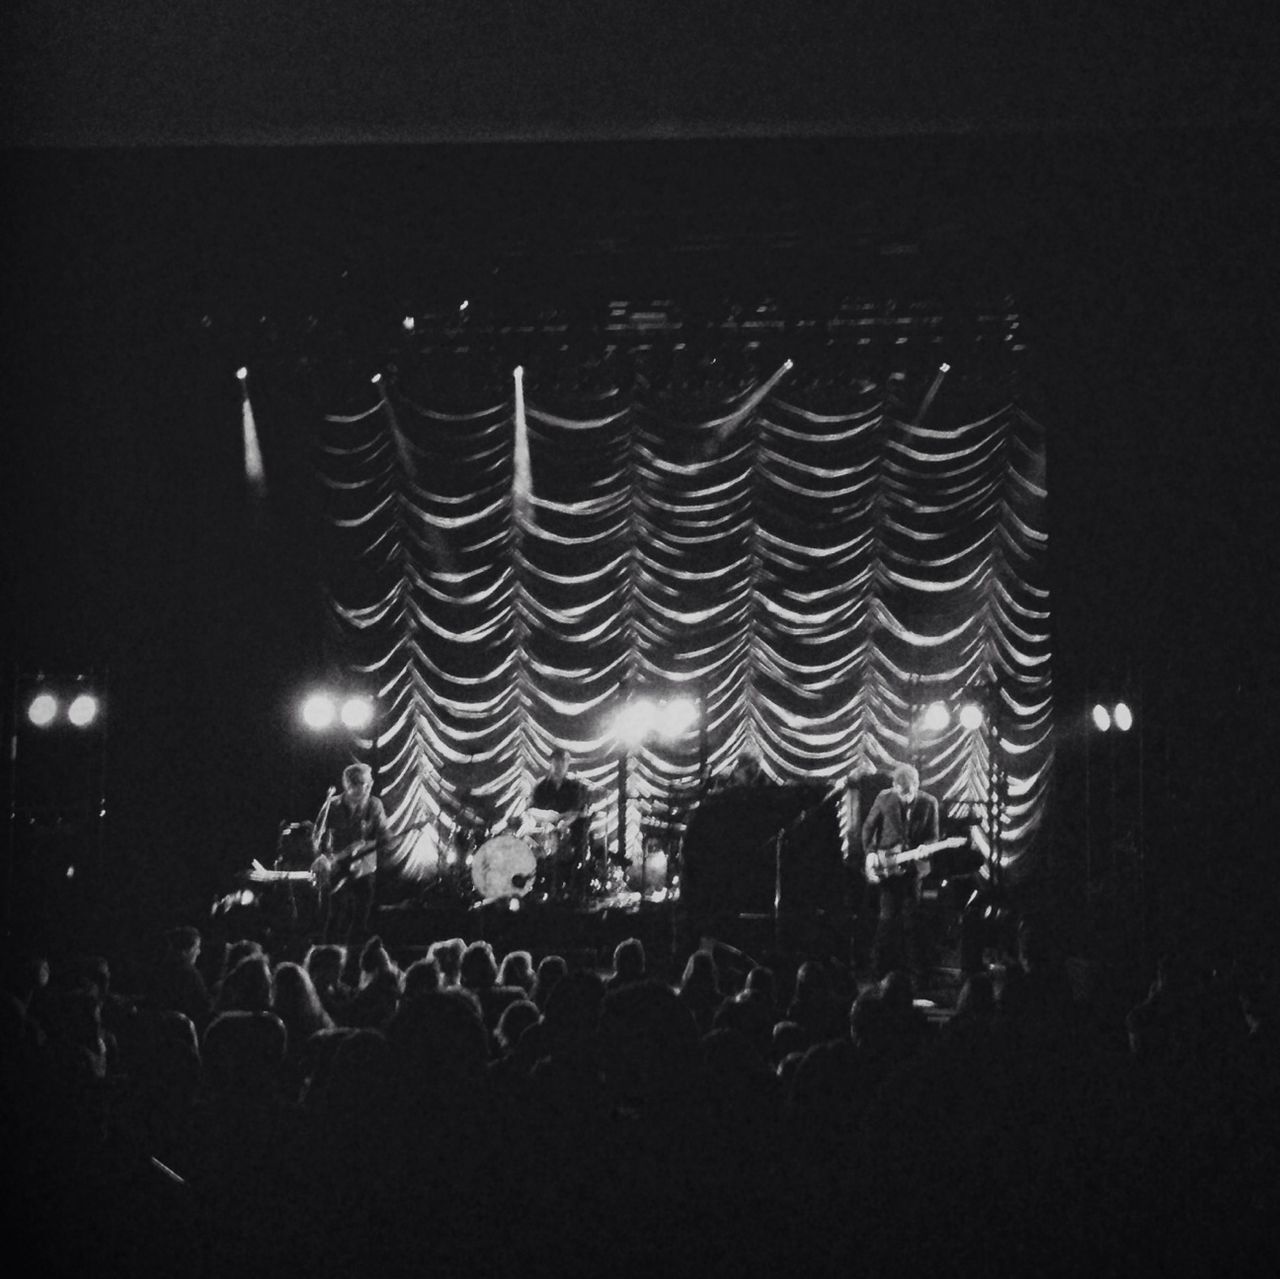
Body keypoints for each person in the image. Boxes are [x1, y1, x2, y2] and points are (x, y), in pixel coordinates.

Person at [861, 762, 939, 984]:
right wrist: (870, 853)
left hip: (913, 870)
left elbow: (933, 836)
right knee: (886, 921)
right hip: (887, 866)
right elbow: (868, 827)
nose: (906, 798)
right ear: (895, 787)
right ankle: (877, 974)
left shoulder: (929, 803)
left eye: (910, 792)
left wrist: (926, 847)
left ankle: (917, 978)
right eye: (902, 793)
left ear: (917, 785)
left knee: (912, 922)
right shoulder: (884, 798)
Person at [314, 762, 392, 950]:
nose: (363, 789)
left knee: (361, 917)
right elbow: (317, 836)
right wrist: (324, 858)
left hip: (363, 868)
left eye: (366, 784)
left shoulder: (374, 805)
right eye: (357, 785)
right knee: (333, 916)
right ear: (347, 785)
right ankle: (328, 953)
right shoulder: (332, 806)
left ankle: (355, 957)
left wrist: (382, 839)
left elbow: (383, 833)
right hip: (337, 867)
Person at [526, 747, 592, 900]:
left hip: (568, 835)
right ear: (551, 762)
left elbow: (577, 812)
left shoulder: (575, 787)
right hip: (544, 834)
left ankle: (569, 890)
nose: (559, 765)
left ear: (568, 764)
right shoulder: (541, 786)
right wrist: (546, 816)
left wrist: (562, 821)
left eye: (563, 761)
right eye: (556, 761)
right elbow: (529, 809)